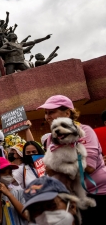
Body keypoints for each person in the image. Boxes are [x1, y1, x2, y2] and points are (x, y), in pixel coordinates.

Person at [36, 95, 106, 224]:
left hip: (97, 194)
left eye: (51, 112)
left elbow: (89, 167)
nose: (47, 117)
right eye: (46, 113)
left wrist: (59, 167)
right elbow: (49, 169)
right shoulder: (50, 139)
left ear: (67, 113)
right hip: (71, 198)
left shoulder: (85, 131)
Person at [0, 157, 28, 225]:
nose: (10, 176)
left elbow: (26, 215)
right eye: (6, 173)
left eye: (10, 173)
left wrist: (9, 194)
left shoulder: (19, 192)